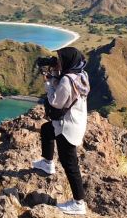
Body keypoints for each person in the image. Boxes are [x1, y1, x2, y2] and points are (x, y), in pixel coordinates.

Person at [32, 47, 90, 215]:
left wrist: (48, 83)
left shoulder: (66, 80)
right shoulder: (81, 75)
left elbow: (55, 101)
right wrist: (56, 75)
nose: (57, 62)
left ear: (67, 61)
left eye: (59, 59)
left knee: (70, 165)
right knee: (46, 130)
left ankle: (79, 203)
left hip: (67, 127)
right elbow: (69, 91)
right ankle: (48, 163)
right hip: (77, 121)